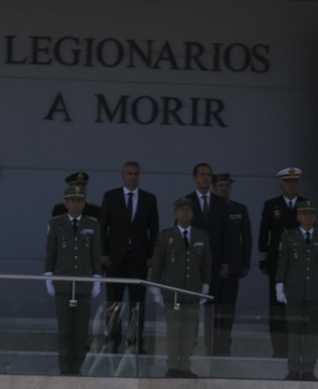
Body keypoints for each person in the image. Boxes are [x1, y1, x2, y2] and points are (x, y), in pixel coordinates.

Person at [99, 160, 159, 354]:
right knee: (113, 302)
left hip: (139, 259)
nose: (133, 177)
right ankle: (112, 340)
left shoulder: (149, 199)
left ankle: (135, 341)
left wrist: (151, 256)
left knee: (137, 303)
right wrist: (104, 254)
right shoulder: (111, 196)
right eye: (130, 173)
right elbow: (103, 227)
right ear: (123, 175)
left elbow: (154, 230)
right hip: (115, 259)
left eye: (136, 174)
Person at [45, 184, 103, 375]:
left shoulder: (92, 223)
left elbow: (96, 253)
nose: (76, 204)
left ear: (84, 203)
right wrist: (48, 276)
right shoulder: (56, 223)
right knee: (65, 329)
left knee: (81, 330)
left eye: (79, 201)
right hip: (63, 281)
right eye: (72, 200)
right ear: (66, 203)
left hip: (84, 283)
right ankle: (65, 367)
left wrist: (97, 278)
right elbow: (51, 252)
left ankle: (79, 367)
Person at [149, 196, 210, 378]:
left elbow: (206, 264)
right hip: (172, 293)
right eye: (181, 209)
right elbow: (158, 263)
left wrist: (205, 285)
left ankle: (185, 365)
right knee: (174, 333)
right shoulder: (166, 235)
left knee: (190, 334)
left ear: (192, 214)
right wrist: (155, 288)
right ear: (175, 214)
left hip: (192, 293)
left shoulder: (201, 236)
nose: (185, 212)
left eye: (188, 210)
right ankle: (174, 366)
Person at [274, 200, 318, 380]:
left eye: (312, 214)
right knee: (293, 332)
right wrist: (280, 287)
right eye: (305, 213)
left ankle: (308, 370)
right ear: (298, 216)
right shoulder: (289, 237)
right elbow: (283, 263)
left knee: (311, 333)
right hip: (294, 291)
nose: (309, 217)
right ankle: (293, 369)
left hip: (315, 292)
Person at [257, 167, 306, 359]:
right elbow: (264, 234)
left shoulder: (305, 204)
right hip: (277, 265)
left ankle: (295, 349)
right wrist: (263, 262)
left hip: (299, 265)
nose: (291, 185)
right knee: (277, 309)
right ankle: (278, 349)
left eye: (295, 182)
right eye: (288, 182)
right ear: (282, 184)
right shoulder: (272, 205)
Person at [207, 172, 251, 356]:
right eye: (220, 185)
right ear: (213, 187)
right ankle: (210, 345)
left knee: (228, 310)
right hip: (211, 269)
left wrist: (245, 264)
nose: (224, 188)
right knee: (211, 310)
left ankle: (224, 346)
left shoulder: (239, 209)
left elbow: (246, 238)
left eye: (227, 185)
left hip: (232, 268)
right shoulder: (208, 208)